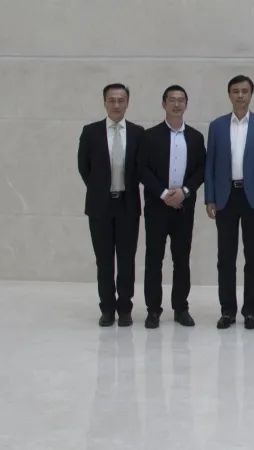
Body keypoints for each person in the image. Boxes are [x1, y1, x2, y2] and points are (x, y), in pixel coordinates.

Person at [205, 75, 254, 330]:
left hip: (253, 198)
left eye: (244, 91)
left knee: (253, 257)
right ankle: (227, 311)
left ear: (251, 94)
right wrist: (210, 197)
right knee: (225, 258)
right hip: (225, 197)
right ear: (229, 94)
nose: (240, 95)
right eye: (235, 91)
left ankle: (250, 311)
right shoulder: (217, 126)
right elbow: (210, 164)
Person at [137, 85, 206, 328]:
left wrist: (184, 192)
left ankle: (181, 308)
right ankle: (153, 310)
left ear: (186, 104)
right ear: (163, 103)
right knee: (154, 259)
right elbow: (142, 169)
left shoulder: (196, 137)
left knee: (182, 259)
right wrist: (164, 193)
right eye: (172, 100)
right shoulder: (149, 136)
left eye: (181, 100)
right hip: (157, 206)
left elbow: (201, 169)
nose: (177, 104)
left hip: (184, 208)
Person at [77, 83, 144, 326]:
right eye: (112, 100)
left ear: (127, 103)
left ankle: (125, 309)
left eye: (121, 100)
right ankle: (106, 308)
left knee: (126, 260)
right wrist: (100, 189)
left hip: (128, 205)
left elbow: (141, 167)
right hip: (100, 206)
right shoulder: (91, 132)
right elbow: (84, 167)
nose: (116, 104)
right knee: (104, 260)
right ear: (105, 102)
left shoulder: (138, 133)